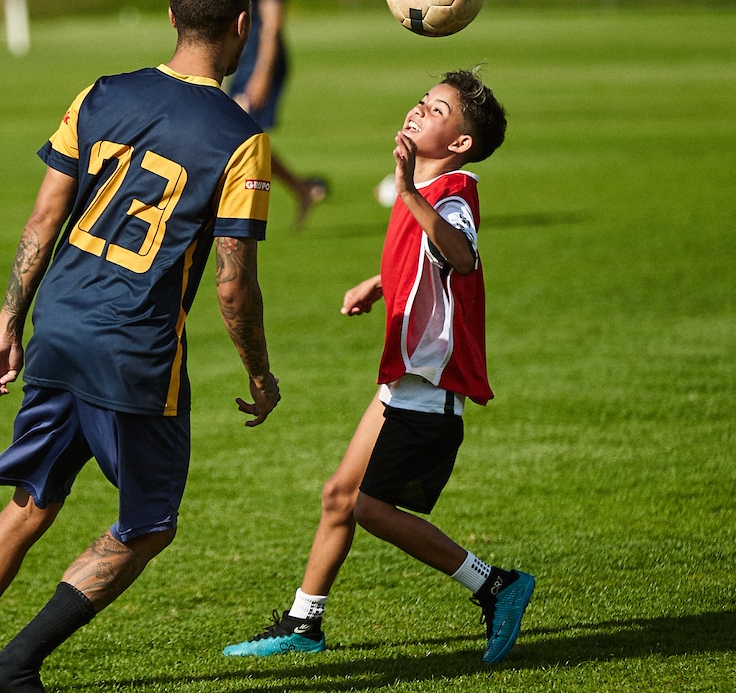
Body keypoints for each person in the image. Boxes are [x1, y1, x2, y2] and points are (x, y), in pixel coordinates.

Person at [0, 0, 281, 693]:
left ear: (172, 19)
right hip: (136, 355)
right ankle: (15, 669)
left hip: (58, 329)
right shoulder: (242, 139)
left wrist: (6, 325)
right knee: (148, 525)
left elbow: (42, 221)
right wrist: (259, 372)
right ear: (244, 26)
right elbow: (233, 285)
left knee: (31, 503)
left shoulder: (99, 93)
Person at [222, 69, 534, 664]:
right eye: (421, 101)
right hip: (404, 382)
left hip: (431, 386)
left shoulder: (454, 189)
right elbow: (424, 263)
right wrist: (381, 282)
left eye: (437, 110)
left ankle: (496, 585)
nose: (418, 111)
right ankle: (303, 622)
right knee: (340, 494)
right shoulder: (424, 187)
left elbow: (460, 257)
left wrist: (411, 194)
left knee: (370, 507)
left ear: (461, 143)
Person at [212, 0, 327, 230]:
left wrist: (262, 73)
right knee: (243, 133)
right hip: (240, 62)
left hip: (265, 60)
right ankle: (302, 189)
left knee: (238, 134)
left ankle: (235, 212)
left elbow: (272, 28)